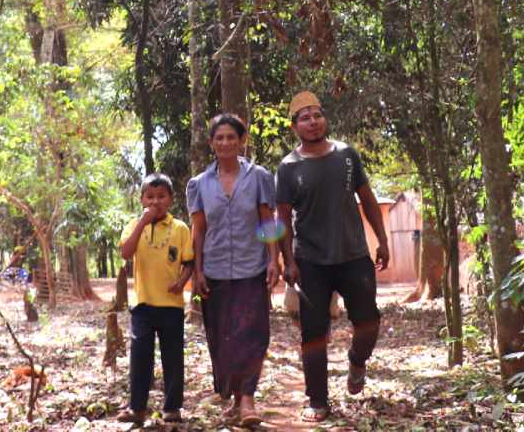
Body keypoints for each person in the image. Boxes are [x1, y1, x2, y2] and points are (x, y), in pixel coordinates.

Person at [276, 91, 390, 422]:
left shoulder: (347, 156)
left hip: (353, 255)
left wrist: (382, 240)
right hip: (310, 262)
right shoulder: (288, 167)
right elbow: (282, 219)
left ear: (324, 119)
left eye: (317, 115)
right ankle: (317, 400)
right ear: (295, 127)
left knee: (368, 322)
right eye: (305, 118)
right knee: (313, 334)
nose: (313, 122)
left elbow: (368, 200)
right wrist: (288, 260)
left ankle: (357, 361)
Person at [187, 114, 280, 428]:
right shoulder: (199, 184)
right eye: (219, 138)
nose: (225, 142)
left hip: (251, 269)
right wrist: (198, 271)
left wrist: (274, 260)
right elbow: (199, 231)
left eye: (231, 137)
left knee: (253, 335)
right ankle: (234, 398)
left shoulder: (259, 177)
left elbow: (267, 221)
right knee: (222, 338)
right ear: (211, 143)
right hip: (214, 271)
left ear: (242, 141)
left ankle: (248, 398)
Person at [117, 173, 194, 426]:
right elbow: (126, 253)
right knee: (140, 357)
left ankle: (172, 407)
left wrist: (181, 282)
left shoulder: (180, 228)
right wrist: (142, 222)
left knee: (172, 357)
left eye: (161, 196)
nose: (155, 202)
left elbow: (189, 262)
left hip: (171, 306)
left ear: (170, 199)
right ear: (141, 200)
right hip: (142, 304)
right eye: (149, 196)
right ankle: (137, 408)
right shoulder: (134, 225)